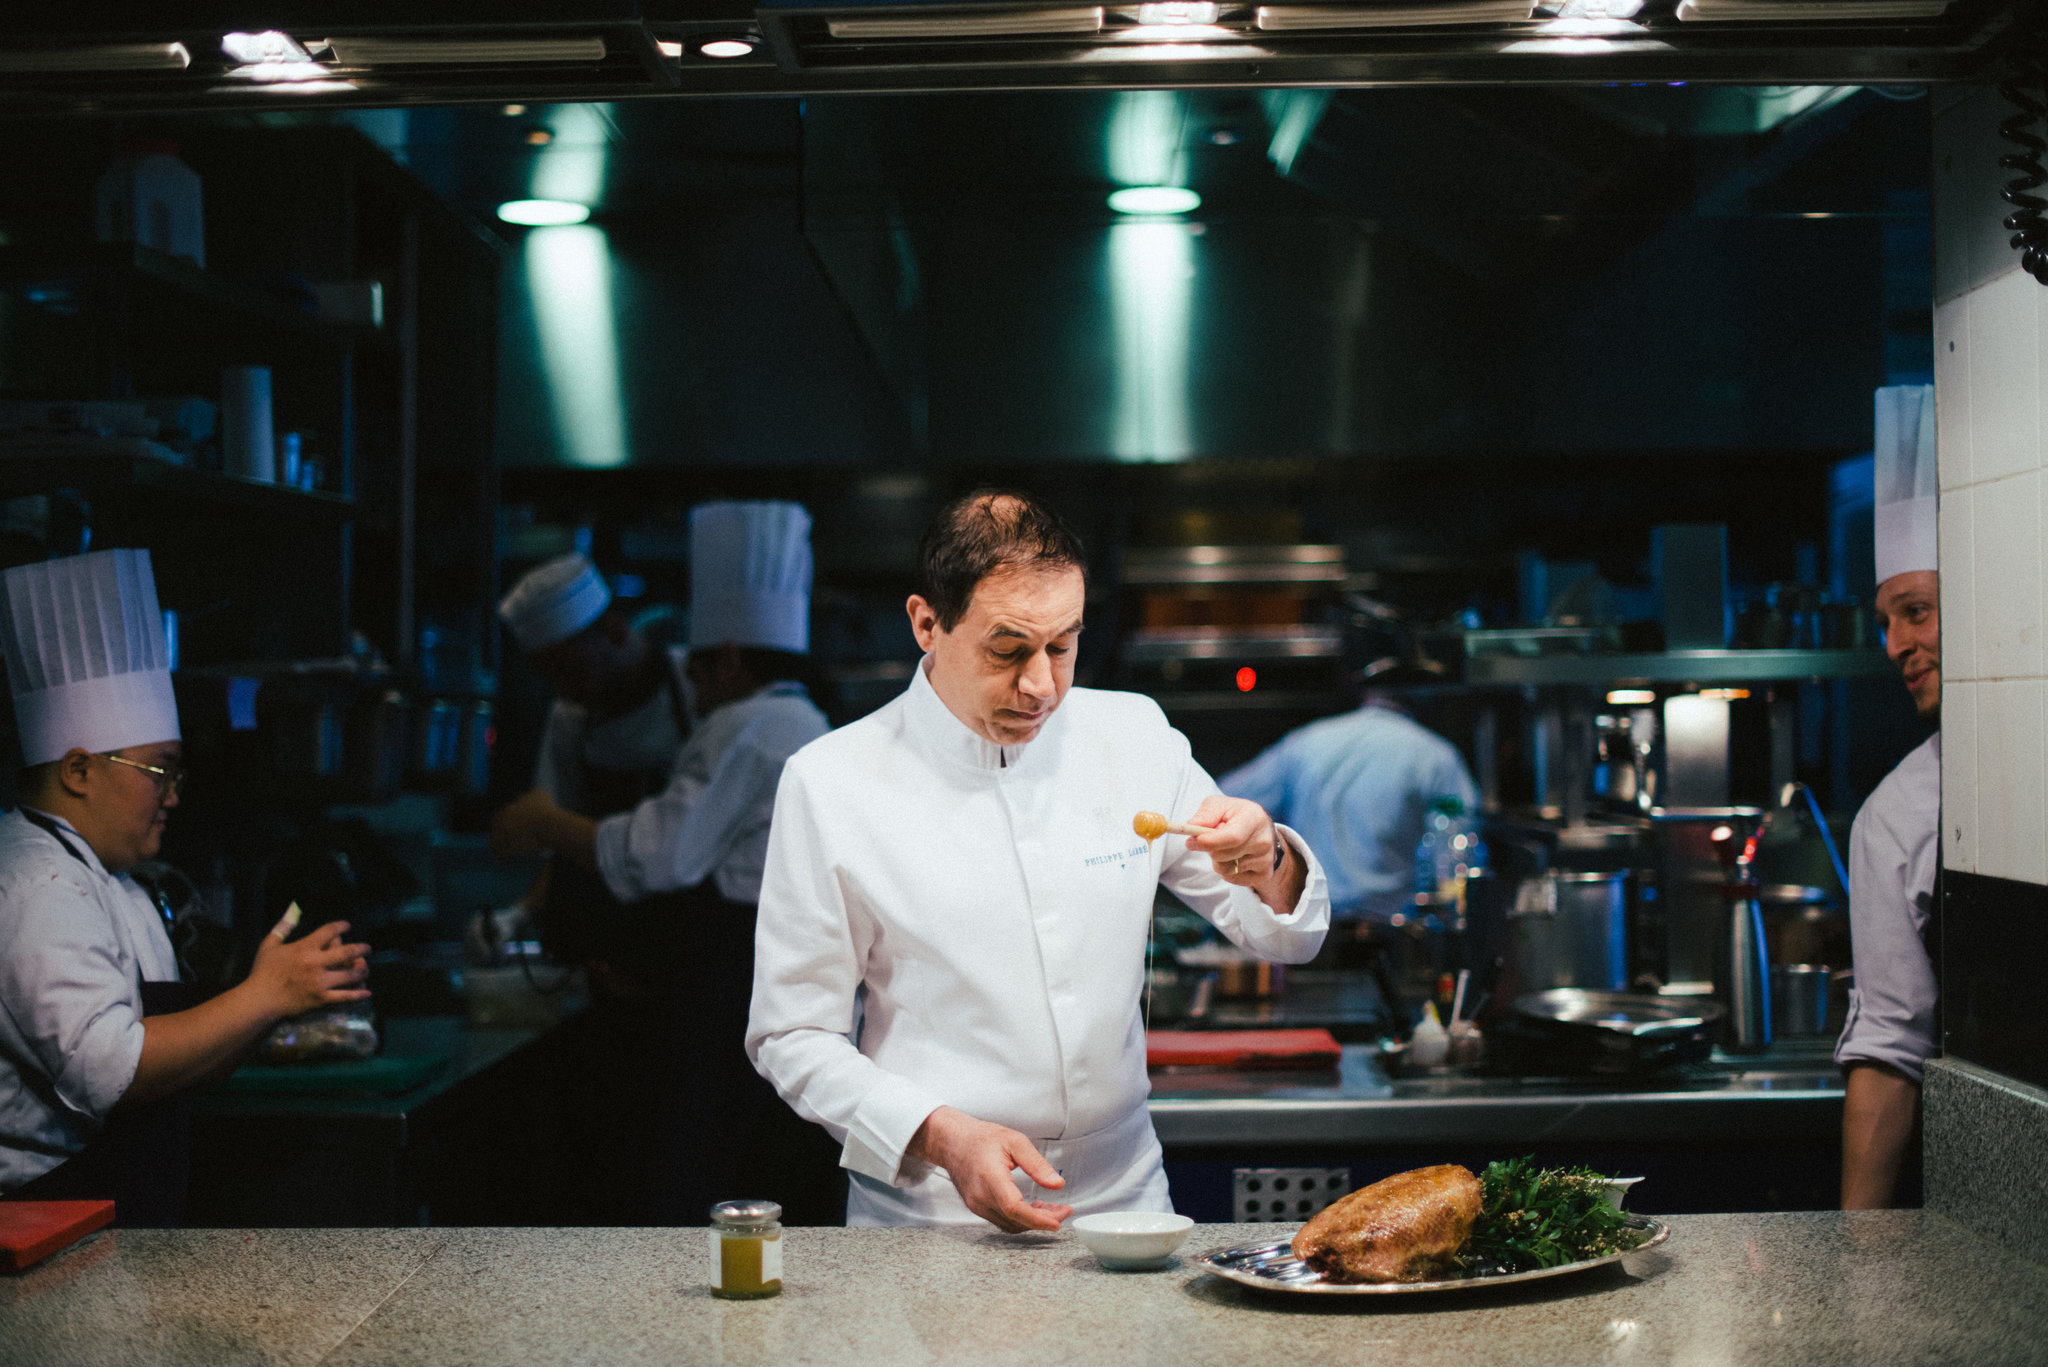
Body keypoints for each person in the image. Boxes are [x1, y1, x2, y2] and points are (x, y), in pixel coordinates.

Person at [747, 490, 1331, 1232]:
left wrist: (1267, 855)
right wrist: (941, 1135)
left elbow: (1287, 935)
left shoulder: (1134, 735)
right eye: (1008, 648)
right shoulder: (831, 781)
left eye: (1062, 645)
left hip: (1125, 1205)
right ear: (927, 623)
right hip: (932, 1213)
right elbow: (790, 1033)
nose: (1041, 685)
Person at [490, 503, 841, 1224]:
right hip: (742, 982)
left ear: (731, 658)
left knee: (696, 1179)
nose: (696, 682)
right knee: (758, 1172)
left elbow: (661, 856)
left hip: (725, 988)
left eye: (705, 665)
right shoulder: (800, 717)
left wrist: (543, 821)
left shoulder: (744, 725)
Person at [0, 549, 369, 1225]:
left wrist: (270, 1004)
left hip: (121, 1222)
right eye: (159, 770)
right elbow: (110, 1070)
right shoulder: (37, 883)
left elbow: (176, 1061)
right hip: (48, 1229)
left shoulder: (115, 882)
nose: (173, 795)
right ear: (80, 769)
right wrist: (262, 995)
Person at [1836, 384, 1941, 1210]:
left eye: (1916, 612)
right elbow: (1888, 1044)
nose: (1896, 645)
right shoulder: (1896, 816)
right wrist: (1859, 1261)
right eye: (1885, 620)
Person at [1218, 681, 1477, 921]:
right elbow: (1456, 861)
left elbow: (1222, 799)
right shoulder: (1436, 756)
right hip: (1397, 930)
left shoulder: (1306, 743)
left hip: (1308, 925)